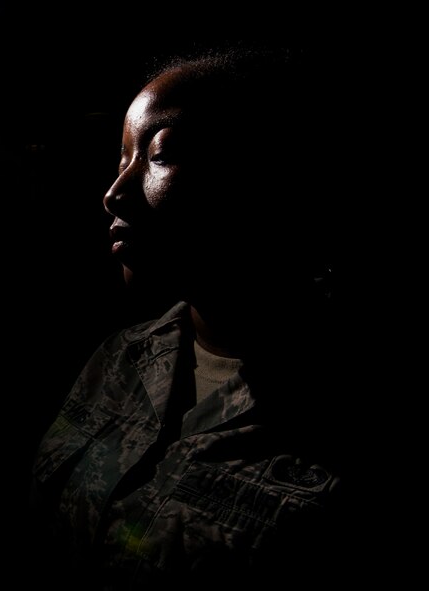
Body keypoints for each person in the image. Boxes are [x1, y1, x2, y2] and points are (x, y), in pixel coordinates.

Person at [27, 46, 356, 588]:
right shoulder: (121, 356)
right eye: (120, 162)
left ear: (264, 174)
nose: (115, 194)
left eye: (159, 155)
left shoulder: (335, 409)